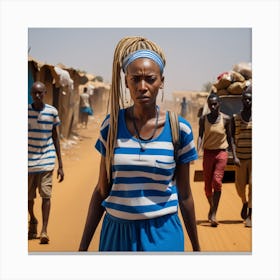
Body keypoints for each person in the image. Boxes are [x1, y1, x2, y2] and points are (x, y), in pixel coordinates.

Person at [79, 36, 200, 252]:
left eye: (150, 79)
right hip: (117, 235)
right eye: (135, 79)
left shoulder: (179, 129)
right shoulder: (112, 126)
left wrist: (197, 249)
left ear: (161, 81)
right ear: (126, 82)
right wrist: (82, 248)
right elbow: (101, 190)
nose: (142, 87)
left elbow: (185, 195)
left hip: (163, 234)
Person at [28, 81, 64, 244]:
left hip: (47, 160)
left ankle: (44, 230)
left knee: (46, 196)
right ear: (31, 94)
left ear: (45, 93)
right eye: (35, 93)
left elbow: (55, 137)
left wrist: (61, 165)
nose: (38, 95)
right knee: (28, 198)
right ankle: (33, 220)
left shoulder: (52, 112)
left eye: (40, 92)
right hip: (27, 162)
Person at [197, 92, 238, 227]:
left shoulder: (226, 119)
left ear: (219, 105)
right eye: (211, 104)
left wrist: (235, 155)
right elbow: (200, 136)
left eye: (215, 104)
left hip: (221, 153)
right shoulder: (203, 119)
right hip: (208, 153)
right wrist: (197, 150)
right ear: (208, 106)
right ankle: (212, 207)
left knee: (217, 181)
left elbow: (231, 137)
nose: (213, 106)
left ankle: (214, 213)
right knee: (207, 186)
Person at [232, 86, 252, 227]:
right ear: (242, 100)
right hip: (240, 157)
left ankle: (250, 214)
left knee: (253, 185)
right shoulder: (236, 118)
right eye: (245, 99)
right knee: (239, 187)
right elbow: (232, 138)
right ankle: (244, 202)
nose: (248, 101)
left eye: (250, 99)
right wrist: (234, 156)